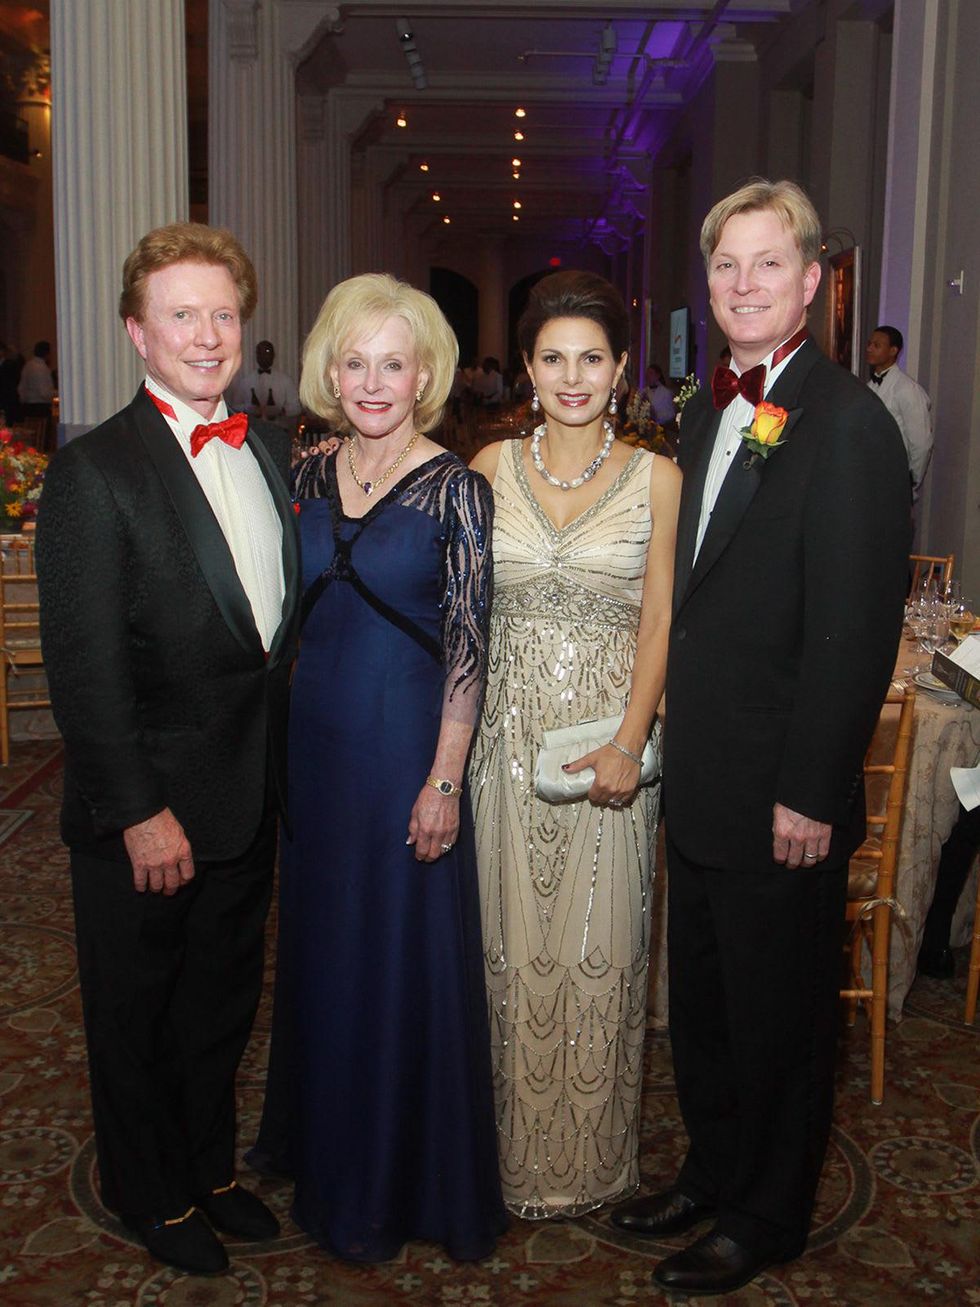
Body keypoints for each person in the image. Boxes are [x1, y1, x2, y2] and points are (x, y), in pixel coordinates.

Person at [611, 180, 909, 1294]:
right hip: (704, 776)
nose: (742, 285)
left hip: (782, 790)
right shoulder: (705, 406)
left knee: (778, 1019)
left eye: (766, 264)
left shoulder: (848, 423)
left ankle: (766, 1211)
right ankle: (710, 1169)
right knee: (708, 1004)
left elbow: (852, 627)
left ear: (813, 280)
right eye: (725, 266)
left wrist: (810, 790)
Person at [35, 223, 300, 1276]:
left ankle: (210, 1168)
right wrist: (137, 808)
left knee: (222, 998)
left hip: (248, 790)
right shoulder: (97, 471)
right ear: (137, 333)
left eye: (223, 313)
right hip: (147, 810)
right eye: (181, 315)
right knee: (137, 1011)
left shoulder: (270, 450)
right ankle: (151, 1190)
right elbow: (84, 669)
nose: (206, 334)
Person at [248, 273, 506, 1262]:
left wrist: (443, 780)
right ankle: (321, 1149)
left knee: (396, 958)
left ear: (425, 373)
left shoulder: (457, 490)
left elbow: (469, 650)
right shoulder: (304, 472)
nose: (370, 379)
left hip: (405, 757)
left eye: (390, 362)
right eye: (353, 361)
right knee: (324, 951)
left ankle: (399, 1177)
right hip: (315, 754)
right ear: (327, 368)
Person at [469, 270, 681, 1218]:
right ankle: (505, 1157)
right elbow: (458, 618)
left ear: (622, 368)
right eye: (553, 357)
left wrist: (631, 743)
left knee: (603, 942)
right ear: (527, 368)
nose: (572, 375)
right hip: (501, 747)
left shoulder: (656, 477)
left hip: (608, 748)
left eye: (591, 357)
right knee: (505, 951)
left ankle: (589, 1163)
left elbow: (660, 620)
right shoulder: (486, 469)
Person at [866, 324, 933, 496]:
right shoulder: (869, 386)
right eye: (870, 344)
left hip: (894, 477)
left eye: (877, 345)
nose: (870, 348)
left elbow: (921, 442)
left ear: (893, 350)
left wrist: (910, 479)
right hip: (871, 476)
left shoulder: (907, 389)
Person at [230, 338, 302, 433]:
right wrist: (247, 408)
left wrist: (281, 410)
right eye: (261, 353)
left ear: (273, 355)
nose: (264, 356)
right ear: (256, 356)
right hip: (253, 432)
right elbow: (234, 407)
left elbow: (296, 408)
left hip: (279, 431)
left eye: (267, 352)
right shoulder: (246, 381)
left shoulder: (285, 381)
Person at [18, 339, 55, 415]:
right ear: (47, 353)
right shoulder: (42, 368)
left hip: (27, 406)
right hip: (40, 407)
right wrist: (58, 393)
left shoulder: (27, 365)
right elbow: (44, 393)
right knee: (42, 426)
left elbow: (21, 387)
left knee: (30, 427)